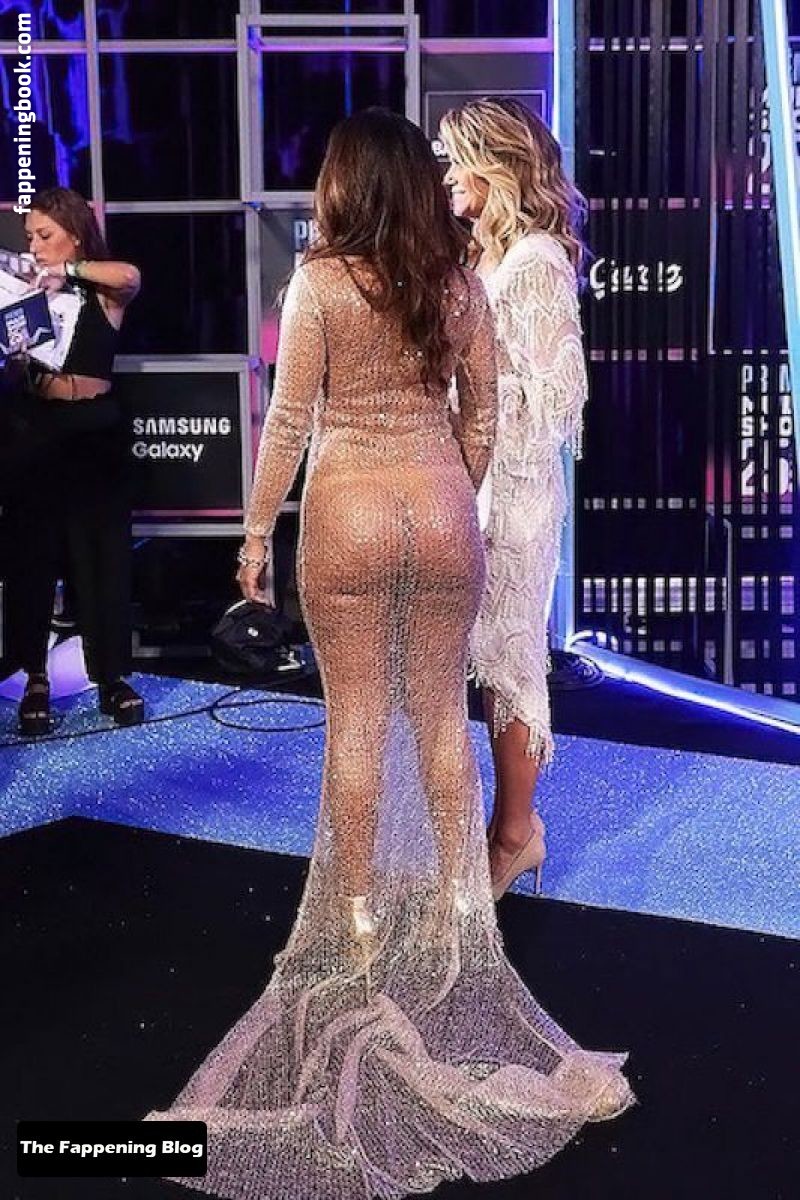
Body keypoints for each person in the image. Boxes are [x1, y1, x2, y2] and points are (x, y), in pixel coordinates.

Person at [145, 109, 631, 1200]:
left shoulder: (321, 284)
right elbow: (485, 413)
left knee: (360, 725)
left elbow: (288, 422)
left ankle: (358, 922)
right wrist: (454, 485)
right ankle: (461, 918)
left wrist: (253, 535)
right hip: (443, 513)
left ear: (339, 187)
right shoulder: (456, 280)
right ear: (415, 183)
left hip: (352, 514)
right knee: (440, 724)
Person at [440, 98, 589, 900]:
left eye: (456, 161)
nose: (446, 177)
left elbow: (560, 391)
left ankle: (515, 835)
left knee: (510, 662)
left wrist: (477, 398)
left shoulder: (535, 260)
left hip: (517, 496)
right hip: (479, 488)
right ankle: (501, 828)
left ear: (495, 168)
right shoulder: (489, 255)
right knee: (489, 665)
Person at [0, 187, 142, 732]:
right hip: (36, 428)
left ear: (75, 235)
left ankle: (112, 676)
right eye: (30, 237)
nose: (35, 247)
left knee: (102, 558)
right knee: (32, 558)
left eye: (45, 235)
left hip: (95, 432)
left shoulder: (102, 292)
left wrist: (69, 272)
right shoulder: (23, 292)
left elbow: (130, 275)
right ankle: (34, 676)